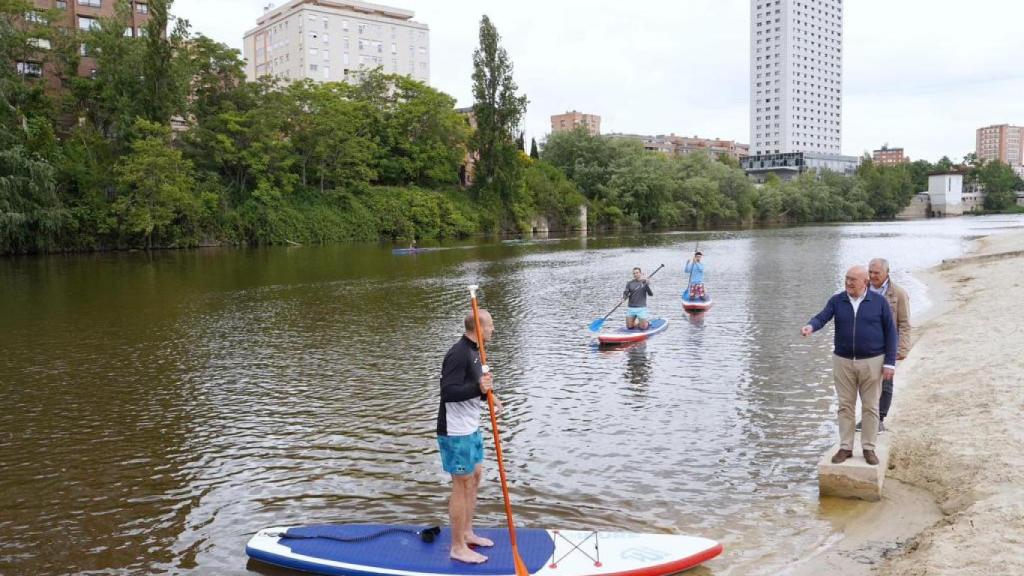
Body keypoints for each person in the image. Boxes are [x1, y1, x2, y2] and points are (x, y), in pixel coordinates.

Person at [801, 265, 897, 466]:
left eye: (853, 279)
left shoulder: (878, 302)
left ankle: (869, 448)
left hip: (873, 361)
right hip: (843, 361)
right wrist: (811, 326)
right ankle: (845, 447)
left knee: (871, 406)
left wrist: (889, 363)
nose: (848, 283)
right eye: (846, 278)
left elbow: (891, 333)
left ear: (865, 282)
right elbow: (822, 317)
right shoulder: (838, 300)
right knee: (845, 406)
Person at [437, 310, 499, 564]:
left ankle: (467, 533)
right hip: (455, 431)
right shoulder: (459, 353)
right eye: (491, 325)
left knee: (476, 476)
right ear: (478, 327)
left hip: (471, 426)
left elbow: (476, 387)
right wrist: (479, 388)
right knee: (461, 484)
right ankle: (457, 547)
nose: (493, 329)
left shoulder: (477, 352)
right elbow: (448, 391)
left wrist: (489, 396)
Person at [868, 257, 912, 430]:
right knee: (867, 385)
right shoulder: (862, 289)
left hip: (888, 346)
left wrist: (902, 349)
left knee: (886, 383)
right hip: (867, 346)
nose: (872, 276)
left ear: (887, 273)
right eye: (870, 272)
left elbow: (905, 324)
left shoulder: (899, 294)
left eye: (876, 273)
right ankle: (867, 417)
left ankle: (879, 419)